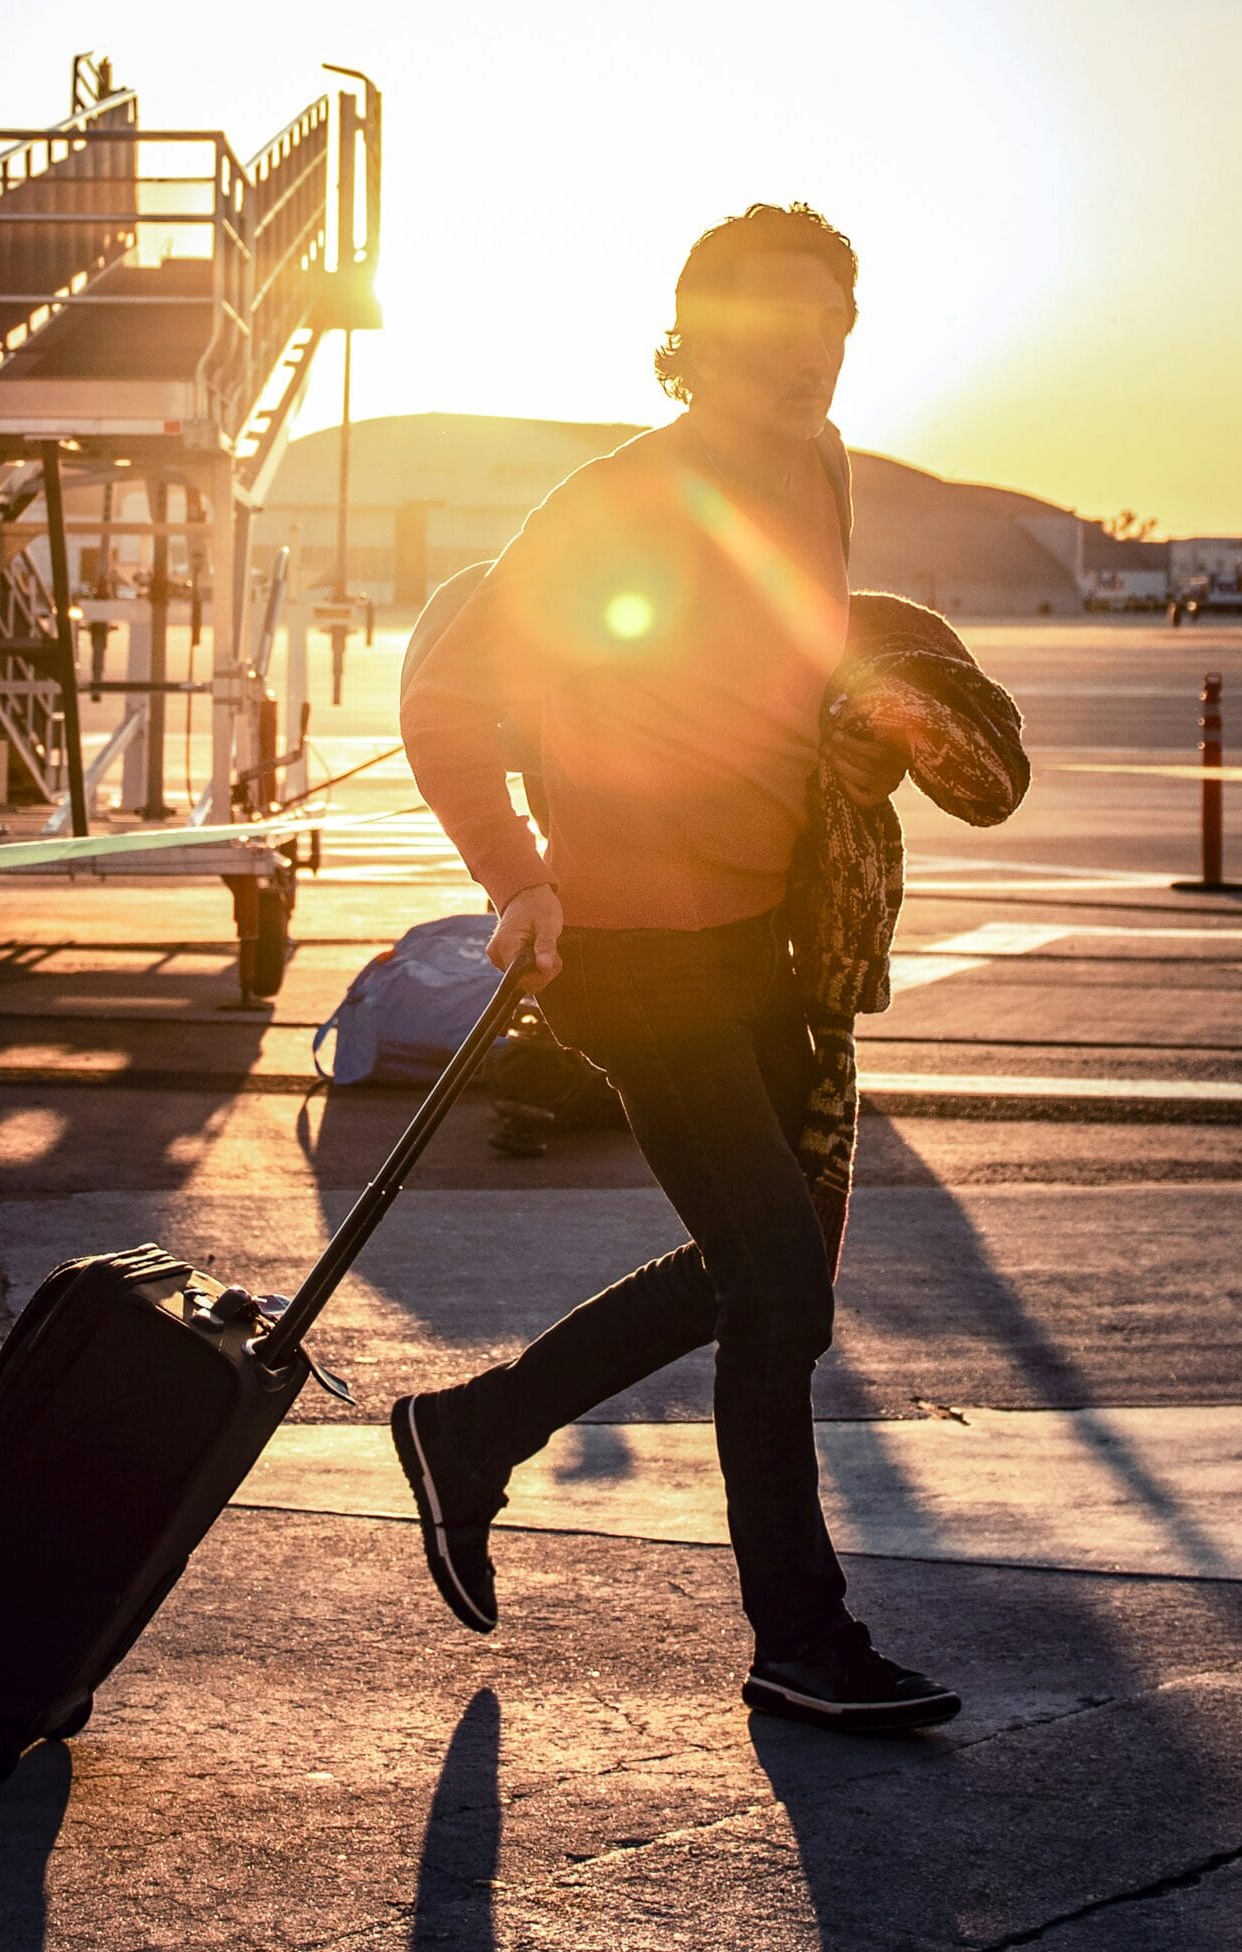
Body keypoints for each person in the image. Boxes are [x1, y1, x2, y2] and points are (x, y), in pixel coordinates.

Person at [393, 202, 959, 1733]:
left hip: (763, 942)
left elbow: (790, 654)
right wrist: (518, 878)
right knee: (779, 1282)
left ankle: (476, 1429)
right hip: (633, 951)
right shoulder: (615, 506)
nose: (812, 346)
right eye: (773, 323)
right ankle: (800, 1636)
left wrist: (884, 706)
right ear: (695, 341)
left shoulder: (822, 468)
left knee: (758, 1267)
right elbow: (445, 698)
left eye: (834, 313)